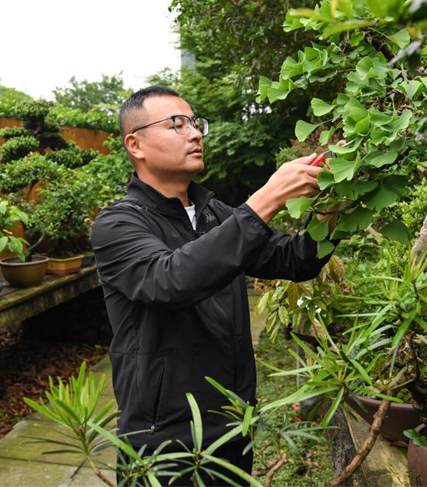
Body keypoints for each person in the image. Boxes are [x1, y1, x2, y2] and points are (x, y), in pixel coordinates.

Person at [91, 86, 338, 485]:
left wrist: (332, 207)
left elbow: (296, 259)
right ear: (135, 145)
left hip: (232, 421)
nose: (195, 133)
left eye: (195, 123)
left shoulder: (215, 215)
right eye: (177, 124)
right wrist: (267, 199)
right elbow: (171, 280)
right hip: (164, 436)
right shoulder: (117, 225)